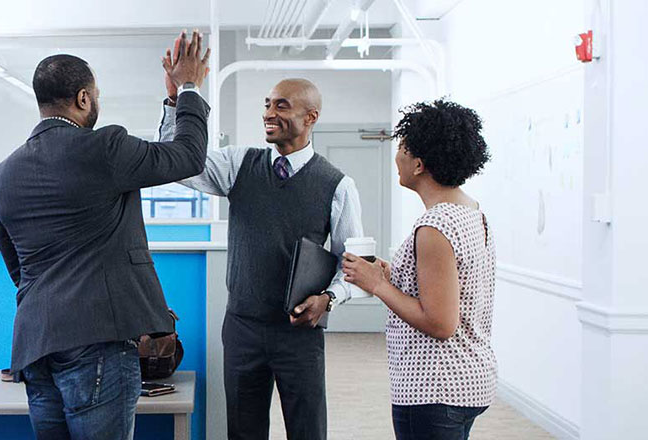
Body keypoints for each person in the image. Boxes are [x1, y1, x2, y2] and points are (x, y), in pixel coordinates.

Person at [0, 31, 210, 440]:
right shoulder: (104, 148)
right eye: (95, 94)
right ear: (83, 99)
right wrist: (190, 88)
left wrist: (172, 101)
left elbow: (17, 268)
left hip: (35, 345)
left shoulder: (2, 174)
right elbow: (188, 157)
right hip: (98, 346)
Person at [158, 39, 364, 440]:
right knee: (244, 431)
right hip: (242, 329)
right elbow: (177, 162)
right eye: (268, 104)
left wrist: (330, 299)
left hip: (299, 334)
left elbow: (353, 264)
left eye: (281, 105)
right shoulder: (239, 164)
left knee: (307, 432)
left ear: (311, 117)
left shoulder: (337, 185)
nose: (269, 113)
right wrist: (175, 102)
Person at [342, 99, 497, 440]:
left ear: (419, 165)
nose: (396, 156)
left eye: (401, 148)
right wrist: (387, 274)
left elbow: (440, 323)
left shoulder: (435, 226)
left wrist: (378, 286)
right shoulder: (470, 211)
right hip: (466, 379)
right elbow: (448, 287)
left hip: (434, 387)